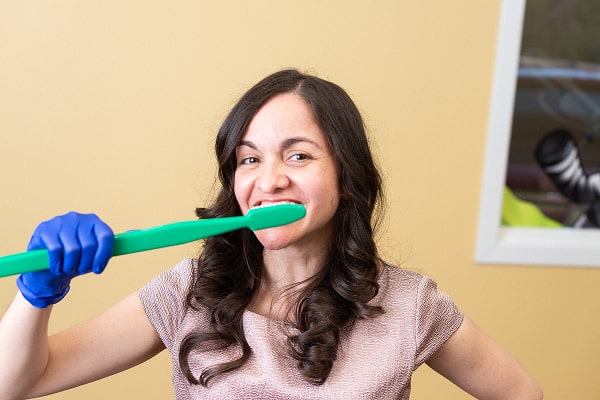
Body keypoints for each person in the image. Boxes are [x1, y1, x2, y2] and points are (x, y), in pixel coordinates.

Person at [0, 69, 543, 399]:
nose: (269, 180)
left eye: (299, 156)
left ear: (346, 179)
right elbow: (16, 382)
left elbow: (523, 393)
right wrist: (35, 295)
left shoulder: (409, 307)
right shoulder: (187, 291)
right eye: (249, 159)